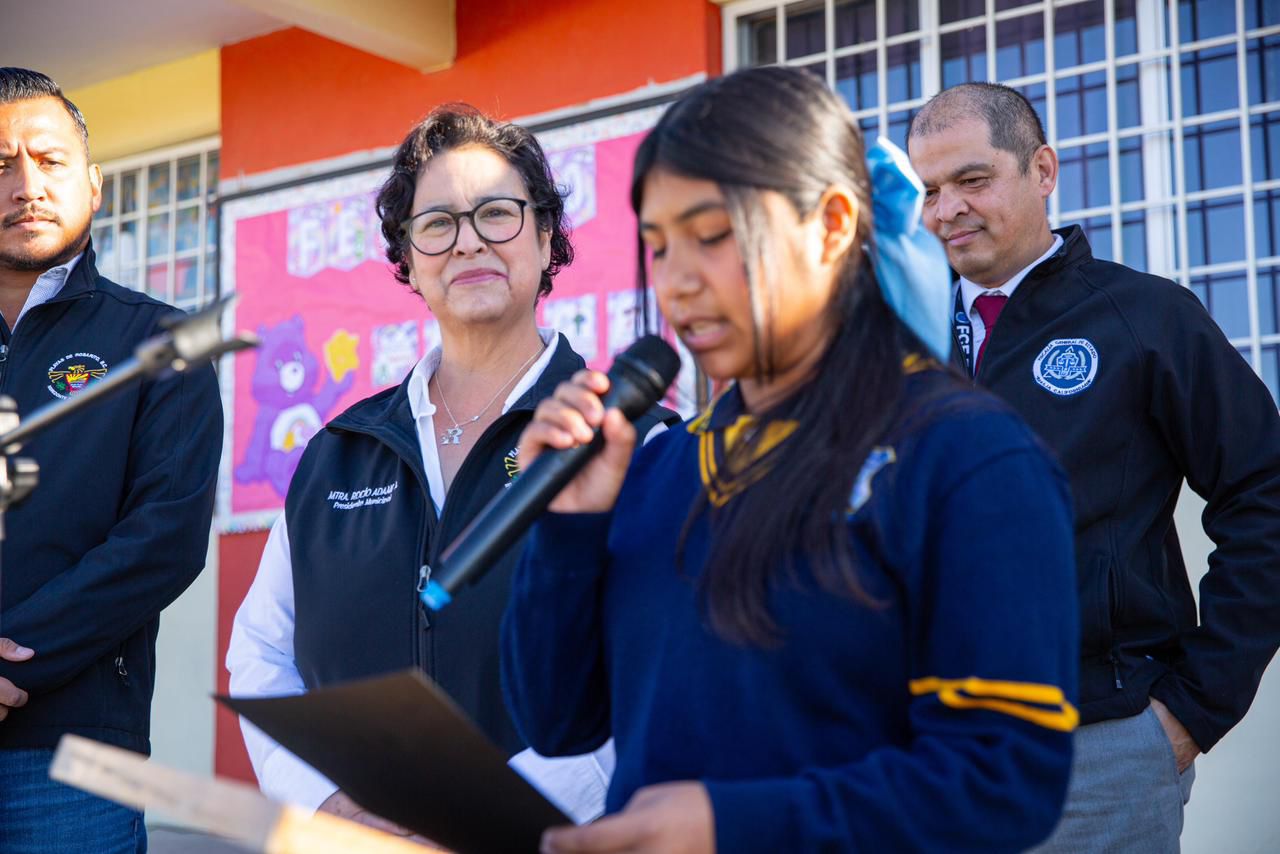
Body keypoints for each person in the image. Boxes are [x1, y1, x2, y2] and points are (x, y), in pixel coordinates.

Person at [502, 66, 1080, 854]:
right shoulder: (659, 468)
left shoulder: (965, 457)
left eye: (713, 236)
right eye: (659, 247)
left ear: (833, 225)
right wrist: (568, 530)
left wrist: (736, 826)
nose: (679, 283)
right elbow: (558, 723)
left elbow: (1002, 780)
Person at [226, 105, 675, 835]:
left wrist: (488, 819)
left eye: (496, 213)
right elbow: (262, 650)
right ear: (407, 258)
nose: (468, 241)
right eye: (437, 223)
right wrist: (325, 802)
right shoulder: (339, 451)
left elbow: (657, 668)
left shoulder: (630, 443)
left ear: (546, 235)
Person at [907, 81, 1280, 852]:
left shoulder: (1144, 317)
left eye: (972, 180)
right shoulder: (895, 341)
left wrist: (1193, 710)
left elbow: (1266, 493)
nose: (947, 211)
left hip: (1096, 755)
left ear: (1042, 170)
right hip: (919, 760)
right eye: (930, 191)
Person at [0, 68, 223, 853]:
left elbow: (163, 538)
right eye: (0, 165)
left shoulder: (159, 344)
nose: (26, 185)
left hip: (76, 751)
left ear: (94, 185)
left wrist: (17, 660)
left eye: (49, 160)